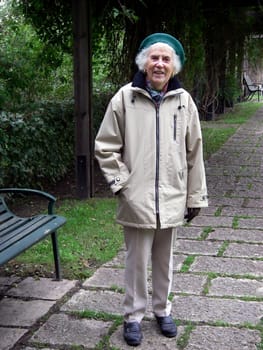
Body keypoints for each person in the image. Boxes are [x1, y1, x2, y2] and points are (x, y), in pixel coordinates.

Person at [94, 32, 208, 347]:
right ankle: (133, 316)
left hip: (172, 195)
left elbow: (194, 151)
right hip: (137, 197)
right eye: (154, 58)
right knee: (136, 260)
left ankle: (162, 310)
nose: (159, 64)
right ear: (144, 63)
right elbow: (105, 146)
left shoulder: (184, 101)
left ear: (174, 66)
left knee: (164, 259)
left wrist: (195, 196)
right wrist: (122, 185)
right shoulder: (124, 98)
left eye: (165, 59)